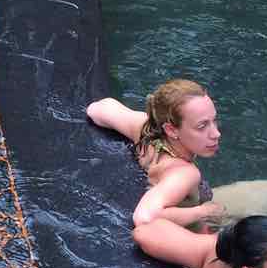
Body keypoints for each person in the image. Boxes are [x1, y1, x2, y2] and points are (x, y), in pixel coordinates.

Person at [87, 80, 225, 228]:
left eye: (213, 120)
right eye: (202, 126)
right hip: (187, 227)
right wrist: (202, 212)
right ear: (171, 130)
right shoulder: (185, 173)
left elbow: (98, 108)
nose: (216, 133)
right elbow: (143, 217)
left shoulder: (145, 129)